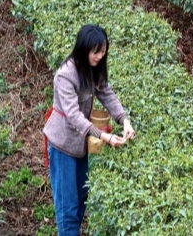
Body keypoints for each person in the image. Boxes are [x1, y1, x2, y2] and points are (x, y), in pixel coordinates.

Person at [43, 24, 135, 236]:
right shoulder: (65, 76)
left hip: (79, 144)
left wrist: (124, 120)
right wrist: (104, 135)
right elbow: (74, 116)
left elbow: (106, 92)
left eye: (103, 52)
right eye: (96, 52)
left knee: (82, 195)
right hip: (63, 144)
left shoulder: (92, 68)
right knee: (67, 207)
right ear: (84, 49)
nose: (100, 56)